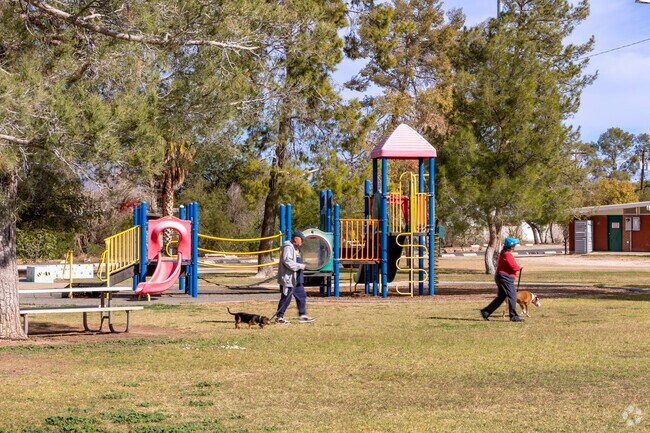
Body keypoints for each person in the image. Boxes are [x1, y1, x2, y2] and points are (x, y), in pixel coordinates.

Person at [274, 230, 315, 325]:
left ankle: (302, 315)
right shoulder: (288, 247)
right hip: (288, 278)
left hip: (297, 278)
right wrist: (300, 266)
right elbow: (287, 261)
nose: (302, 242)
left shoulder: (296, 248)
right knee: (286, 298)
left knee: (302, 296)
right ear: (295, 238)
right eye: (301, 240)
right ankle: (279, 318)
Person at [480, 237, 524, 322]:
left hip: (501, 276)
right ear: (512, 246)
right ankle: (514, 316)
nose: (515, 246)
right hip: (505, 277)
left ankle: (486, 312)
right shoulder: (507, 254)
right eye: (515, 245)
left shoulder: (504, 253)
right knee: (513, 296)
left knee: (501, 297)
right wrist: (520, 266)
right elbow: (514, 267)